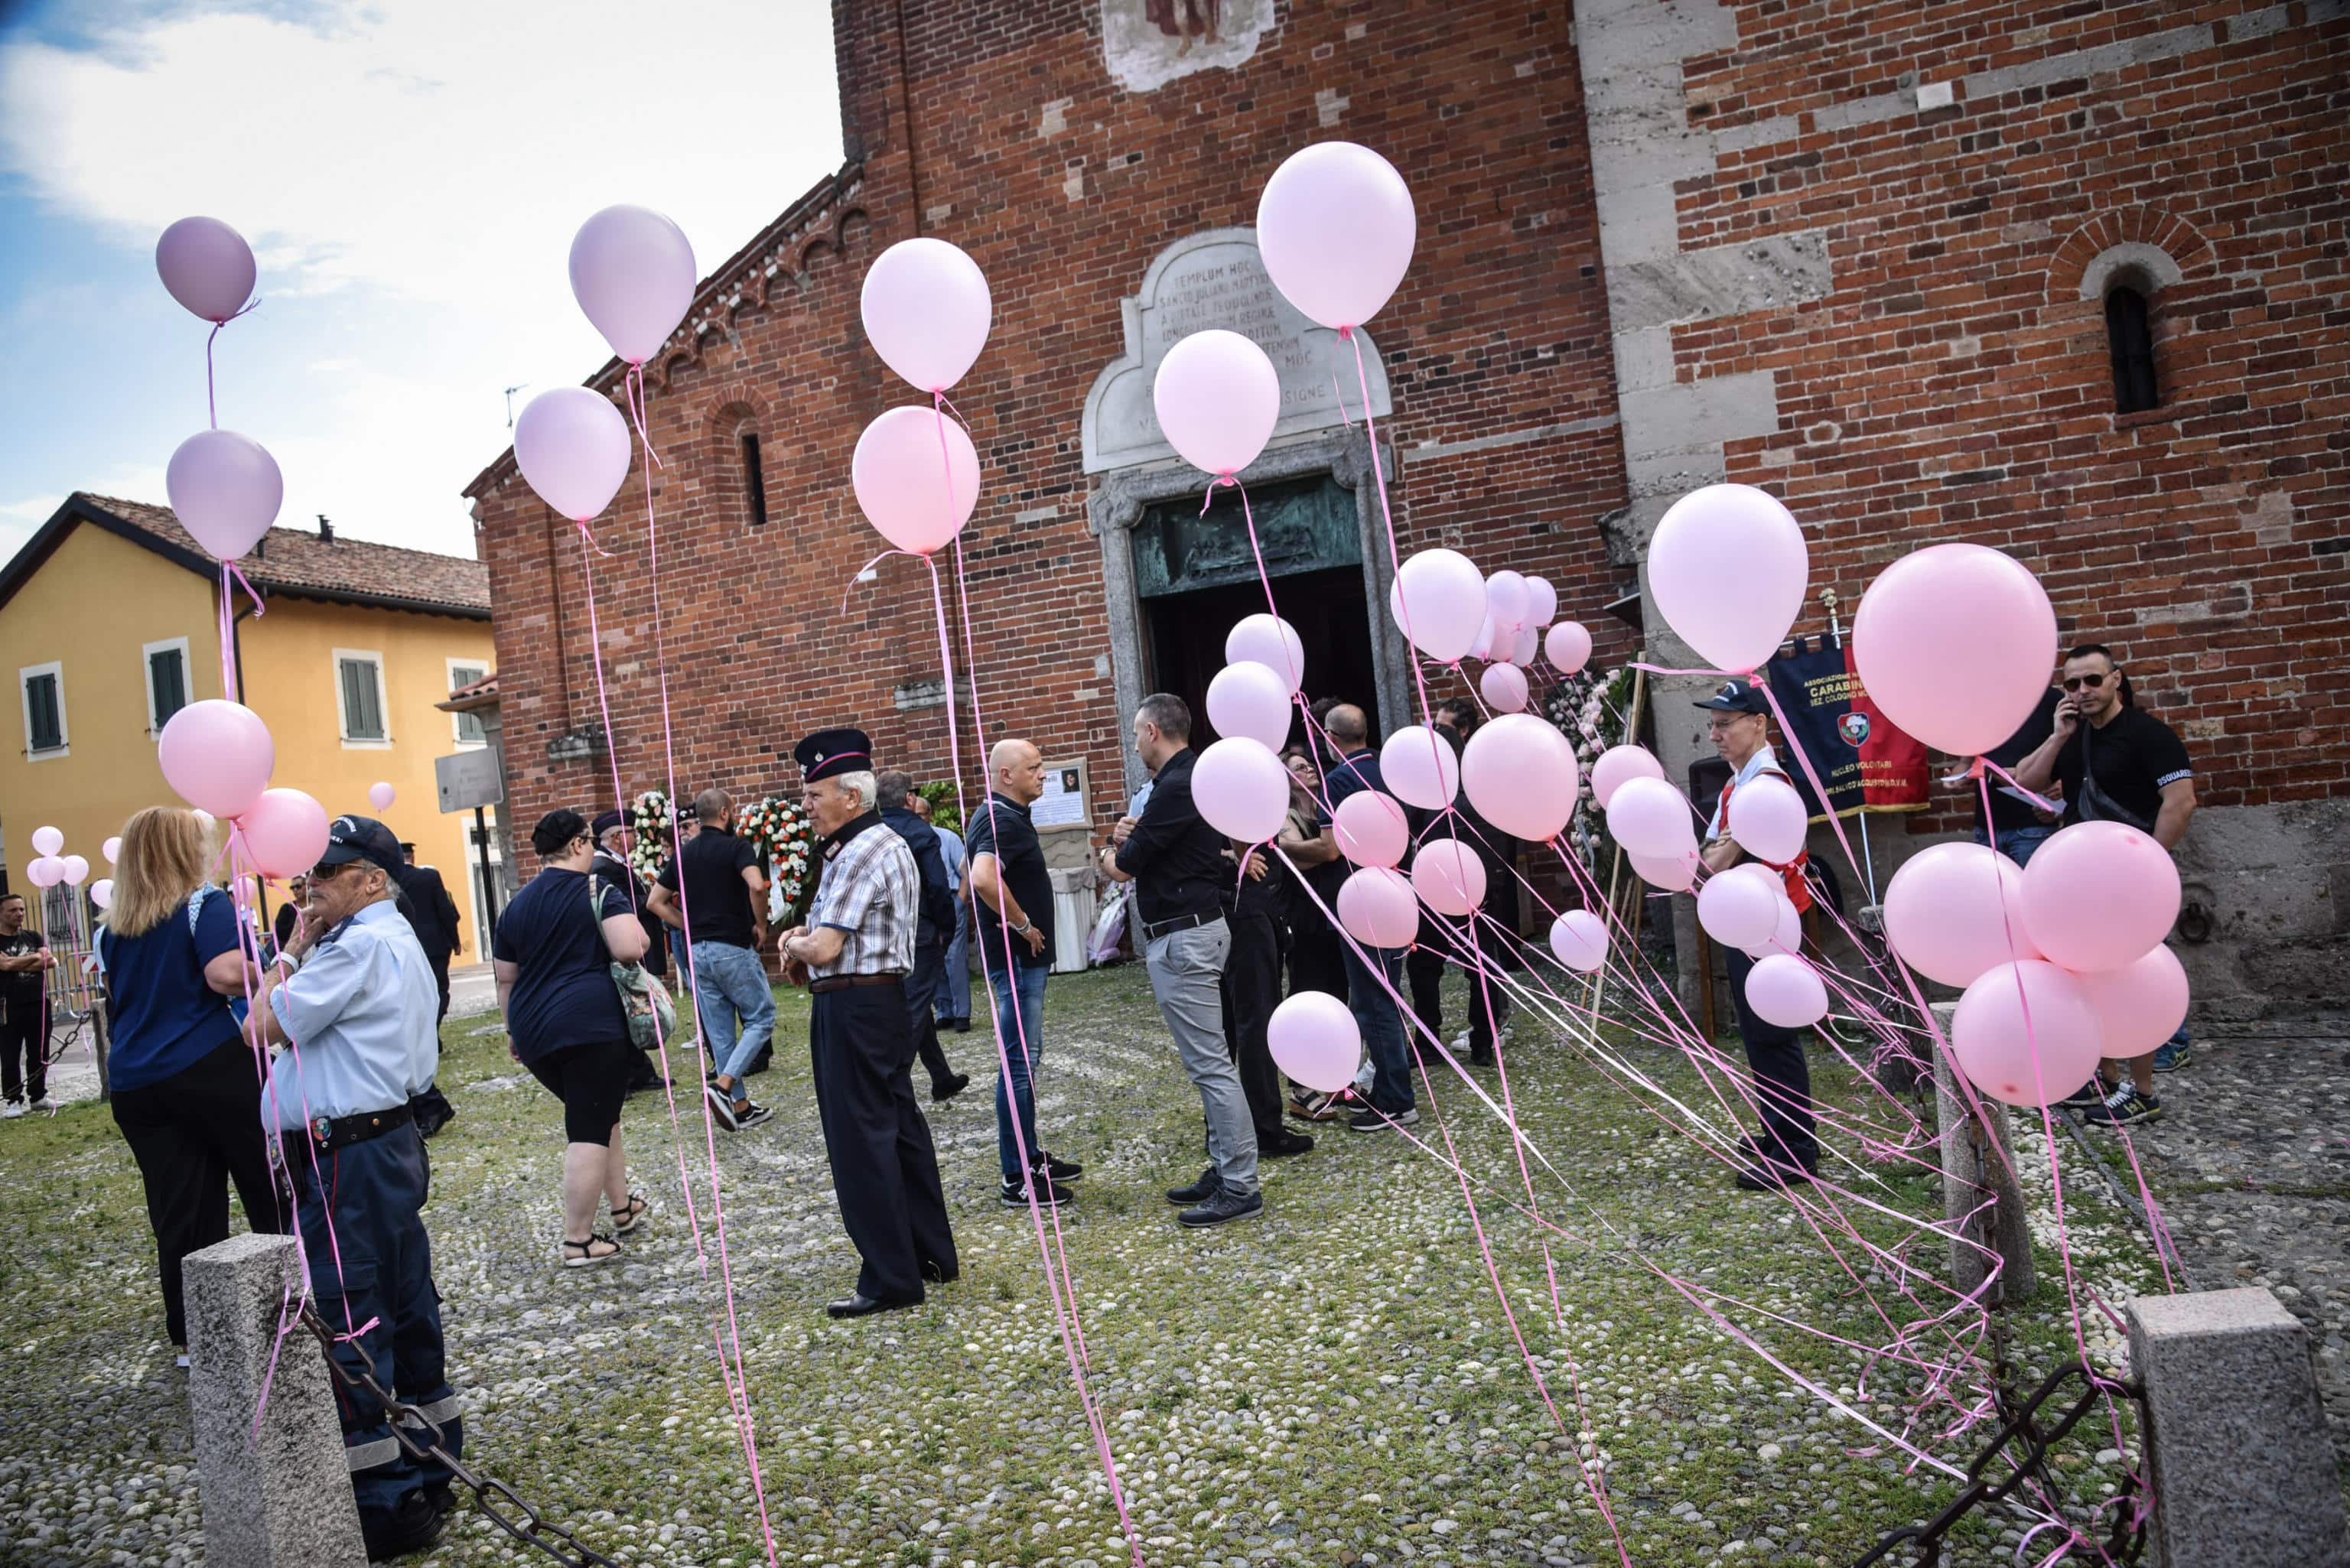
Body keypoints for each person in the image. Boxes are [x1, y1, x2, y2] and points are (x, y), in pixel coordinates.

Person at [252, 813, 457, 1560]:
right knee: (404, 1301)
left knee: (352, 1311)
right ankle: (432, 1464)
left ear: (372, 881)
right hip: (381, 1141)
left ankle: (385, 1498)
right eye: (308, 872)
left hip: (351, 1151)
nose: (309, 885)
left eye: (328, 872)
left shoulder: (355, 946)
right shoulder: (388, 936)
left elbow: (259, 1026)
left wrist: (289, 951)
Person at [777, 727, 958, 1318]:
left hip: (854, 1006)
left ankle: (889, 1277)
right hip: (877, 1001)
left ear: (851, 797)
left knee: (862, 1142)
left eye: (815, 795)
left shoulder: (859, 851)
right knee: (899, 1128)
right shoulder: (869, 844)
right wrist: (805, 939)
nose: (806, 806)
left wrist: (793, 942)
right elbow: (833, 934)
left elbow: (825, 946)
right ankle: (929, 1255)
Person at [93, 808, 284, 1361]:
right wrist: (280, 964)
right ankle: (294, 1302)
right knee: (268, 1186)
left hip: (137, 1081)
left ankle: (195, 1336)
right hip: (209, 1063)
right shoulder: (205, 903)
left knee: (180, 1210)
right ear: (184, 851)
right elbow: (224, 974)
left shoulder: (113, 929)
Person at [2013, 643, 2200, 1124]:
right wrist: (2058, 737)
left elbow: (2180, 802)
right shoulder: (2075, 737)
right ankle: (2108, 1080)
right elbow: (2026, 781)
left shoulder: (2149, 735)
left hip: (2129, 883)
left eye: (2093, 680)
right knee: (2089, 976)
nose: (2083, 691)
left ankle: (2143, 1093)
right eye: (2072, 684)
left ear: (2116, 680)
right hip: (2079, 882)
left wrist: (2148, 865)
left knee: (2133, 978)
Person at [1101, 695, 1263, 1226]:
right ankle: (1224, 1167)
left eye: (1135, 733)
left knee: (1211, 1066)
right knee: (1210, 1063)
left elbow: (1124, 866)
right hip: (1194, 930)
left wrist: (1108, 848)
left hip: (1185, 936)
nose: (1134, 744)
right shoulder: (1195, 777)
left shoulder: (1175, 784)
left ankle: (1239, 1185)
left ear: (1152, 730)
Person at [494, 809, 654, 1267]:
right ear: (580, 844)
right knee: (588, 1128)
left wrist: (512, 1030)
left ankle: (622, 1207)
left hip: (534, 1029)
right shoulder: (596, 889)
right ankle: (578, 1240)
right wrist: (639, 934)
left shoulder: (516, 905)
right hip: (589, 1026)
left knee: (601, 1114)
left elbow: (505, 978)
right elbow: (629, 946)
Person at [1696, 680, 1820, 1191]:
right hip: (1746, 917)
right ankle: (1778, 1130)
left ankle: (1796, 1152)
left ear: (1759, 724)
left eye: (1725, 724)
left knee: (1772, 1035)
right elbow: (1706, 858)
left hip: (1767, 923)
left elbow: (1714, 860)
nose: (1715, 735)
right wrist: (1720, 850)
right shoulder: (1737, 785)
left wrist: (1723, 849)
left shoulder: (1765, 785)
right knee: (1757, 1035)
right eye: (1713, 725)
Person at [965, 738, 1085, 1207]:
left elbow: (971, 878)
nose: (1043, 775)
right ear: (1006, 775)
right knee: (1018, 1065)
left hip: (1020, 958)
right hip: (1015, 958)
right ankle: (1016, 1176)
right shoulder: (1001, 819)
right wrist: (1023, 925)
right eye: (1034, 768)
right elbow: (981, 878)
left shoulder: (1005, 816)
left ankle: (1029, 1156)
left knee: (1025, 1062)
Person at [648, 789, 773, 1131]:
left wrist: (687, 925)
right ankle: (723, 1086)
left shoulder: (684, 854)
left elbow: (655, 901)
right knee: (761, 1018)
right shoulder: (737, 847)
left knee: (720, 1034)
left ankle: (741, 1107)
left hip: (697, 952)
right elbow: (757, 886)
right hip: (732, 946)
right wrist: (761, 925)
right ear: (724, 813)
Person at [1321, 701, 1417, 1132]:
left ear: (1331, 738)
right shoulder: (1389, 770)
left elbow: (1331, 848)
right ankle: (1386, 1089)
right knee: (1384, 997)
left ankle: (1397, 1100)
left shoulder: (1339, 780)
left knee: (1374, 1004)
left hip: (1362, 902)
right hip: (1397, 894)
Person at [877, 769, 970, 1103]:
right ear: (909, 798)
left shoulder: (874, 832)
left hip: (886, 930)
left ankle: (941, 1077)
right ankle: (890, 1085)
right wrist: (947, 927)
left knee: (916, 1003)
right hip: (921, 929)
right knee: (915, 1008)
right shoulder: (920, 832)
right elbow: (936, 884)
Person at [593, 811, 670, 1097]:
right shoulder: (603, 867)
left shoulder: (616, 863)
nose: (635, 837)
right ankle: (625, 1077)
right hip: (624, 944)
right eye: (630, 832)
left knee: (633, 1009)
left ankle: (640, 1072)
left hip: (635, 940)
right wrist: (654, 897)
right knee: (625, 1011)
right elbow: (620, 904)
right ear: (616, 837)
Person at [395, 844, 464, 1138]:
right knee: (437, 994)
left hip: (408, 948)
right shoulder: (428, 877)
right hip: (434, 945)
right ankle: (431, 1034)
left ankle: (429, 1038)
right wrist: (454, 939)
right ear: (412, 857)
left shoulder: (391, 881)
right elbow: (445, 911)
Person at [1971, 695, 2062, 867]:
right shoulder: (1980, 706)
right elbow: (1966, 761)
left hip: (2033, 824)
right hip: (1987, 826)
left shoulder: (2051, 701)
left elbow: (2073, 752)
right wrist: (1958, 777)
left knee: (2033, 883)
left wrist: (2063, 785)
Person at [922, 795, 974, 1035]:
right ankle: (944, 1011)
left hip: (951, 901)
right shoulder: (907, 840)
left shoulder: (947, 838)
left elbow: (966, 872)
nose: (918, 818)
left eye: (922, 814)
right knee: (932, 958)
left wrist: (961, 901)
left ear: (930, 815)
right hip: (925, 907)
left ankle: (962, 1013)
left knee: (954, 957)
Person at [0, 892, 55, 1115]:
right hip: (8, 1006)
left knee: (39, 1051)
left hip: (38, 1002)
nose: (19, 913)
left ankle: (38, 1095)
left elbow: (49, 961)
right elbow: (3, 966)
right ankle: (13, 1100)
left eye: (22, 909)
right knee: (10, 1055)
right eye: (13, 910)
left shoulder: (33, 936)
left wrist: (13, 963)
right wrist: (34, 959)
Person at [272, 875, 308, 954]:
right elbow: (279, 933)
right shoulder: (287, 908)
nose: (295, 890)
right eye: (292, 888)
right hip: (294, 951)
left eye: (298, 886)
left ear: (307, 886)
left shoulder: (316, 906)